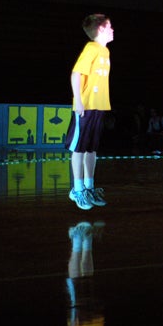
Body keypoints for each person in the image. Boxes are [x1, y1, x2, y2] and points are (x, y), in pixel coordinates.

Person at [65, 14, 114, 210]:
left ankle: (89, 187)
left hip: (99, 105)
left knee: (91, 148)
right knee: (79, 148)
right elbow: (76, 74)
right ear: (101, 29)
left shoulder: (105, 51)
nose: (112, 30)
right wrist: (78, 100)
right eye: (109, 26)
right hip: (85, 106)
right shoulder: (91, 48)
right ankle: (77, 189)